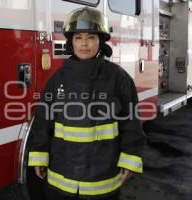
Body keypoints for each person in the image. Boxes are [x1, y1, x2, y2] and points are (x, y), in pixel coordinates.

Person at [27, 7, 145, 200]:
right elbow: (43, 121)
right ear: (70, 42)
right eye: (78, 37)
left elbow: (131, 124)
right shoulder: (58, 80)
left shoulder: (119, 79)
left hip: (102, 181)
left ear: (101, 41)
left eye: (90, 37)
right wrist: (39, 154)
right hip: (60, 181)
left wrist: (129, 161)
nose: (84, 44)